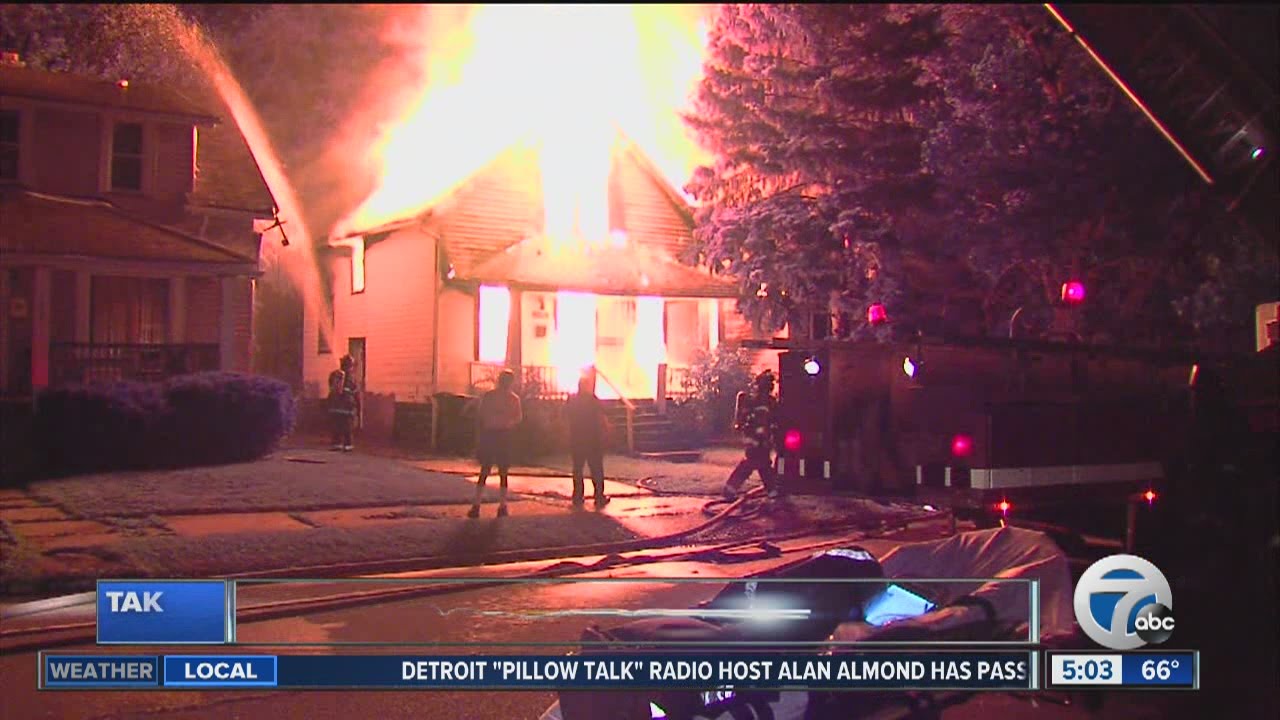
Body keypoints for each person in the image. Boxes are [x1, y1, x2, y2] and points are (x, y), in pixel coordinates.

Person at [468, 370, 523, 518]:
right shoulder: (513, 399)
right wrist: (508, 422)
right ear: (510, 382)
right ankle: (502, 506)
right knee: (503, 471)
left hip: (491, 434)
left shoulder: (490, 396)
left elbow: (481, 414)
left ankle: (476, 505)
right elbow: (518, 418)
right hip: (503, 435)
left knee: (486, 469)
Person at [723, 369, 781, 500]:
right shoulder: (766, 402)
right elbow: (769, 420)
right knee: (756, 464)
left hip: (757, 439)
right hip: (758, 439)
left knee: (760, 463)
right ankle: (730, 489)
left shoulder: (757, 401)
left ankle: (730, 489)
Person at [566, 372, 610, 510]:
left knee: (577, 468)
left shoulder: (572, 400)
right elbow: (601, 416)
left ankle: (577, 496)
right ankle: (599, 496)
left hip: (577, 439)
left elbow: (565, 416)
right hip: (593, 440)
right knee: (596, 469)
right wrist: (605, 432)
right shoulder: (592, 400)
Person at [327, 355, 360, 451]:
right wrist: (358, 408)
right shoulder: (352, 379)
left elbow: (330, 386)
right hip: (347, 408)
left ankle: (336, 444)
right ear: (350, 366)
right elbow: (356, 393)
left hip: (334, 407)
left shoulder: (334, 375)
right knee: (347, 427)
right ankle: (348, 444)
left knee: (336, 426)